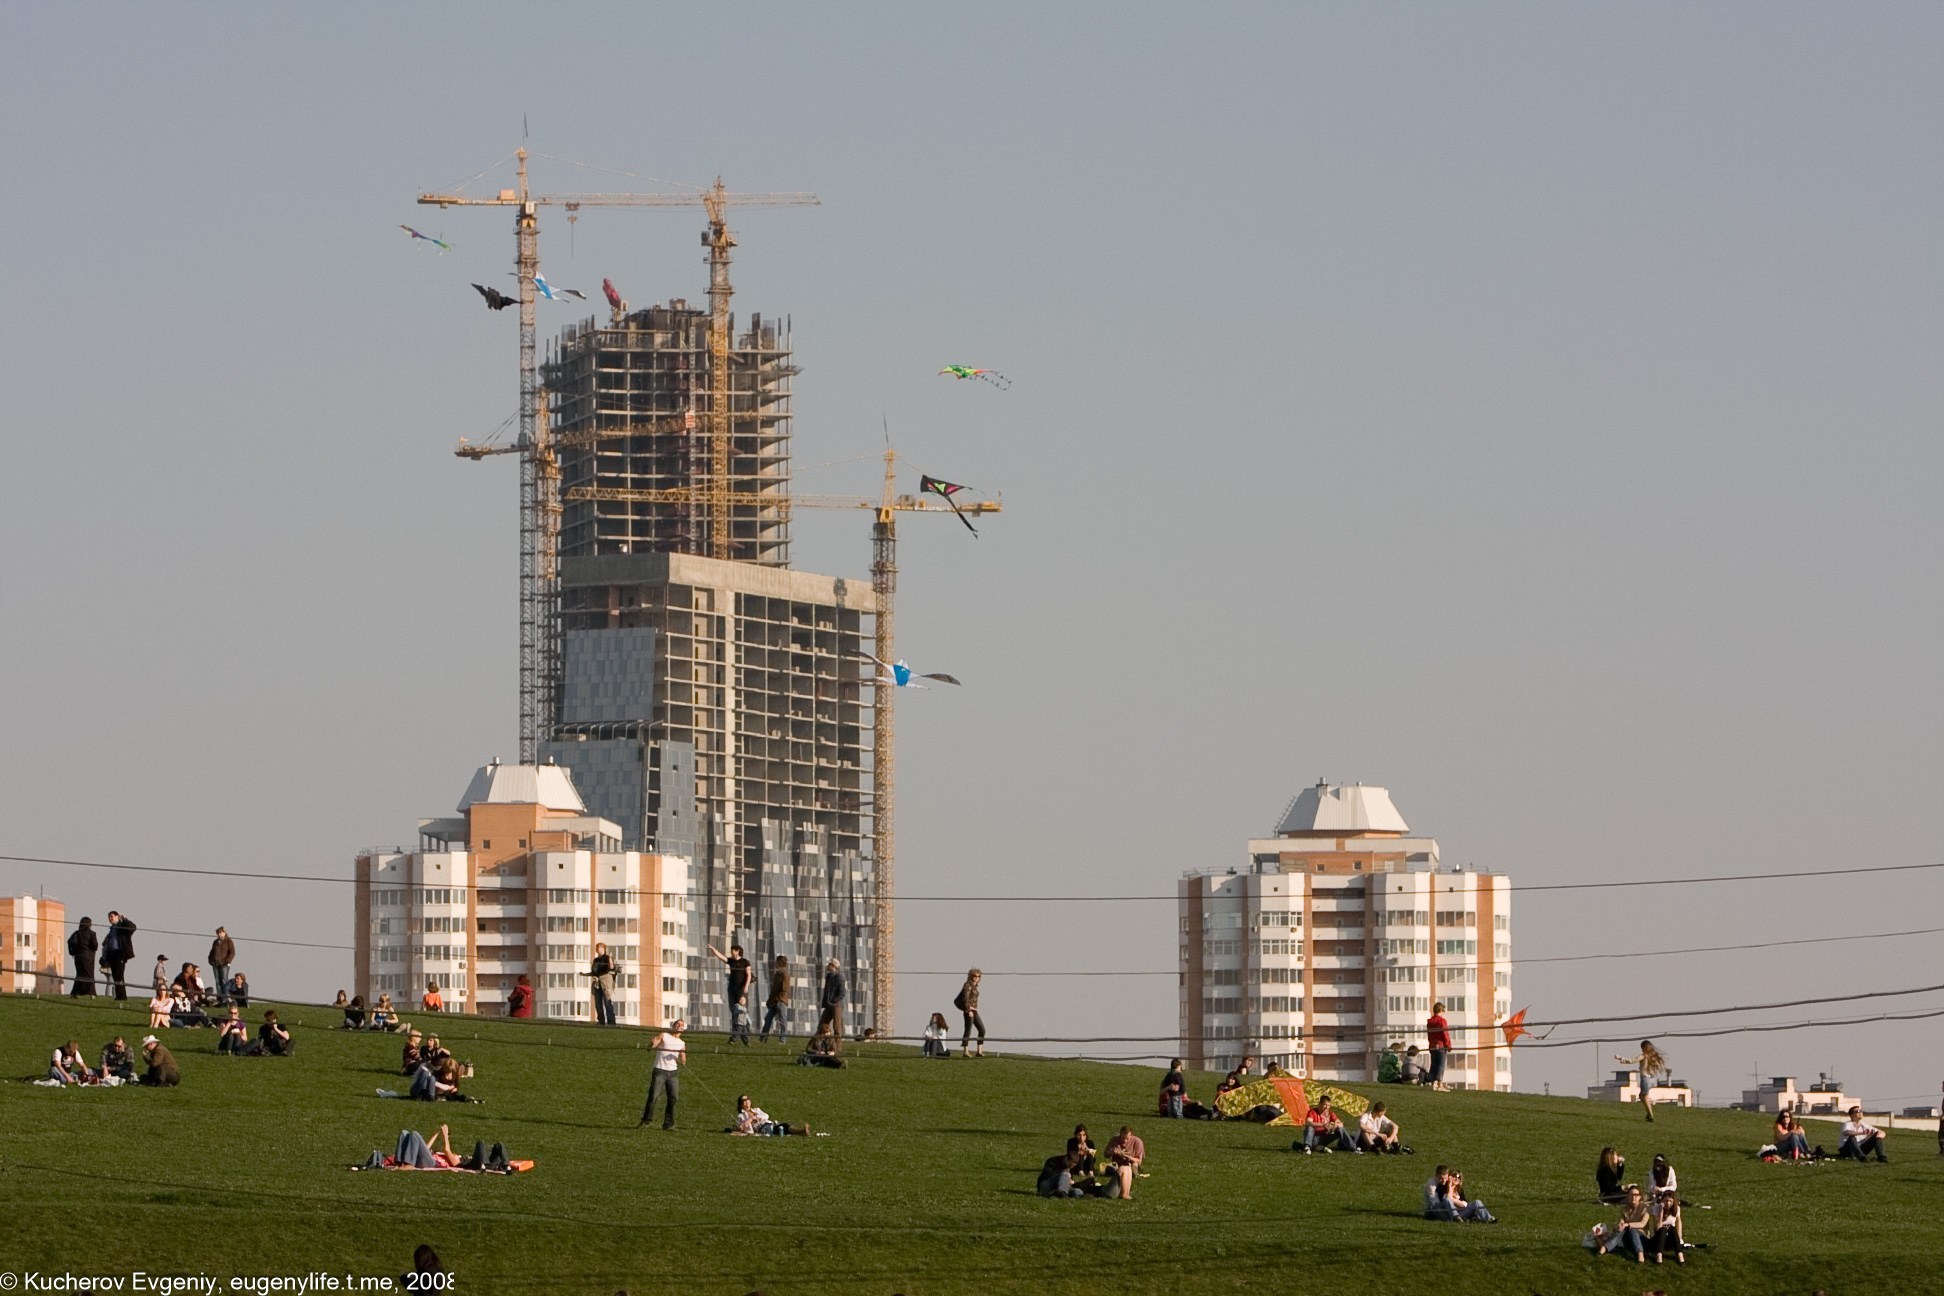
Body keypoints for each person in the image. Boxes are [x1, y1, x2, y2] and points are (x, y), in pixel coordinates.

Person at [640, 1019, 686, 1129]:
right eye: (678, 1024)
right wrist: (652, 1043)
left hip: (673, 1073)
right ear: (673, 1026)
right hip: (660, 1071)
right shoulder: (664, 1035)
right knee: (653, 1096)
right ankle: (646, 1120)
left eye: (682, 1025)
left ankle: (668, 1123)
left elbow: (683, 1062)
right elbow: (652, 1046)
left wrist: (681, 1057)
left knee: (673, 1098)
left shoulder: (682, 1043)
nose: (679, 1026)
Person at [709, 943, 754, 1045]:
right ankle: (744, 1039)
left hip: (741, 991)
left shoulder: (745, 962)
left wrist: (746, 986)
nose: (731, 953)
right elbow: (721, 957)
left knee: (741, 1013)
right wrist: (713, 949)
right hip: (732, 990)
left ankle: (735, 1038)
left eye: (732, 951)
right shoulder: (731, 961)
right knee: (734, 1013)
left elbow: (749, 975)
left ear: (737, 951)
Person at [1614, 1040, 1668, 1122]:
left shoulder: (1643, 1056)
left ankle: (1650, 1115)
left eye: (1642, 1048)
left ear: (1644, 1048)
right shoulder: (1653, 1056)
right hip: (1653, 1080)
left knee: (1644, 1096)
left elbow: (1631, 1060)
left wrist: (1620, 1058)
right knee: (1643, 1096)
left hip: (1645, 1079)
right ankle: (1648, 1114)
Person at [1424, 1165, 1495, 1223]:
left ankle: (1489, 1218)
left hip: (1461, 1211)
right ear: (1450, 1177)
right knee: (1447, 1200)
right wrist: (1450, 1186)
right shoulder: (1442, 1187)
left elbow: (1465, 1203)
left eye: (1459, 1178)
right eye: (1454, 1177)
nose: (1457, 1179)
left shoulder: (1459, 1189)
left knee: (1477, 1202)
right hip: (1448, 1213)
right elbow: (1446, 1200)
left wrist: (1461, 1203)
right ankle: (1456, 1218)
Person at [1604, 1185, 1653, 1260]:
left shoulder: (1645, 1208)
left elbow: (1642, 1224)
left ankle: (1640, 1254)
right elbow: (1621, 1223)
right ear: (1628, 1197)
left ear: (1640, 1197)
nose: (1633, 1197)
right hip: (1628, 1238)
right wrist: (1619, 1225)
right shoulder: (1624, 1209)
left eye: (1636, 1195)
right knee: (1622, 1230)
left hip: (1642, 1238)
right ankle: (1605, 1247)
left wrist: (1628, 1224)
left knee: (1631, 1228)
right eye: (1631, 1195)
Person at [731, 1093, 811, 1137]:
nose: (747, 1102)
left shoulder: (756, 1110)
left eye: (748, 1100)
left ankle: (801, 1132)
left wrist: (752, 1118)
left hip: (770, 1124)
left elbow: (766, 1116)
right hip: (764, 1128)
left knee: (784, 1127)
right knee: (784, 1127)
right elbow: (740, 1127)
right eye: (744, 1101)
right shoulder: (741, 1116)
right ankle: (802, 1131)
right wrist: (742, 1126)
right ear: (741, 1105)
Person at [100, 910, 137, 1001]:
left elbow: (133, 928)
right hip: (112, 954)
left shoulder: (122, 926)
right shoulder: (111, 929)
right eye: (109, 917)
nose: (110, 918)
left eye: (111, 916)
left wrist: (124, 919)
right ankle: (120, 996)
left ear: (117, 916)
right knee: (115, 976)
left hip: (120, 953)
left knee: (119, 975)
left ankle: (121, 996)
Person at [1103, 1126, 1145, 1200]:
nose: (1125, 1141)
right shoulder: (1114, 1140)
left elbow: (1139, 1160)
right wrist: (1113, 1152)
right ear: (1120, 1134)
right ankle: (1124, 1193)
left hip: (1131, 1163)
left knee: (1130, 1166)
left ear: (1132, 1135)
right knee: (1110, 1168)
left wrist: (1129, 1157)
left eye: (1127, 1139)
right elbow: (1105, 1154)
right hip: (1117, 1164)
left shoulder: (1137, 1141)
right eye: (1122, 1138)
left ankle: (1126, 1191)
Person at [759, 954, 791, 1043]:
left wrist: (776, 996)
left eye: (776, 962)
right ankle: (763, 1038)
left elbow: (785, 988)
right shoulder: (777, 973)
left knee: (782, 1021)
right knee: (768, 1018)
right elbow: (774, 989)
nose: (775, 963)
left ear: (779, 963)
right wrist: (770, 999)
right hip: (774, 1001)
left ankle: (783, 1040)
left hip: (781, 1001)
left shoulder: (784, 974)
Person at [955, 968, 986, 1058]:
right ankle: (965, 1051)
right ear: (971, 976)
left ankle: (979, 1051)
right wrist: (968, 1010)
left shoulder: (975, 986)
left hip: (974, 1010)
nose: (977, 978)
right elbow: (965, 998)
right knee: (968, 1030)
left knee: (982, 1030)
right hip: (969, 1010)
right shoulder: (967, 985)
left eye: (978, 976)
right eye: (975, 976)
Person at [815, 958, 847, 1042]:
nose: (828, 966)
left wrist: (834, 999)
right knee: (822, 1023)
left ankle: (837, 1044)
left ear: (833, 966)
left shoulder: (840, 976)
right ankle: (817, 1042)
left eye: (830, 964)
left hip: (836, 1005)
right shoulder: (828, 976)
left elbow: (842, 992)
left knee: (837, 1026)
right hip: (828, 1005)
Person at [1650, 1189, 1685, 1264]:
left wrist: (1679, 1239)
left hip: (1669, 1239)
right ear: (1662, 1201)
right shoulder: (1656, 1208)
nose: (1668, 1203)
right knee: (1663, 1229)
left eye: (1670, 1201)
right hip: (1658, 1239)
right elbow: (1657, 1228)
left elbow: (1678, 1222)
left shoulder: (1676, 1208)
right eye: (1666, 1201)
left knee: (1672, 1228)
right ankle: (1659, 1254)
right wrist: (1661, 1213)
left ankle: (1679, 1253)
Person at [67, 916, 98, 997]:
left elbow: (70, 942)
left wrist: (72, 952)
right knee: (89, 975)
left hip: (78, 957)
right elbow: (95, 946)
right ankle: (90, 992)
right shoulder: (92, 934)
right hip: (89, 957)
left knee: (79, 974)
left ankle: (76, 992)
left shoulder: (77, 933)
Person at [588, 944, 616, 1026]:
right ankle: (601, 1020)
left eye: (598, 947)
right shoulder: (596, 960)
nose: (596, 949)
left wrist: (610, 959)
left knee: (607, 1000)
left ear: (602, 948)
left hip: (605, 980)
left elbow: (612, 967)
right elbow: (594, 971)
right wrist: (585, 974)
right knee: (598, 1002)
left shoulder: (607, 957)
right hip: (597, 981)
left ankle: (611, 1021)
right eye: (596, 947)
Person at [1425, 1003, 1452, 1091]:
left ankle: (1433, 1083)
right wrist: (1448, 1045)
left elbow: (1429, 1035)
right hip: (1440, 1045)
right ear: (1441, 1010)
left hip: (1432, 1046)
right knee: (1441, 1064)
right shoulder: (1441, 1021)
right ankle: (1439, 1084)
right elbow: (1445, 1034)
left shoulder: (1430, 1022)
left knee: (1434, 1064)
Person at [209, 927, 235, 1005]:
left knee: (224, 980)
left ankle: (225, 998)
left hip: (224, 964)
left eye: (220, 932)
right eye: (218, 933)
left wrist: (227, 961)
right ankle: (219, 998)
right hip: (216, 964)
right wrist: (210, 960)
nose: (219, 934)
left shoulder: (228, 941)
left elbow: (232, 952)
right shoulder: (215, 942)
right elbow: (212, 952)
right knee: (217, 981)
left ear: (224, 932)